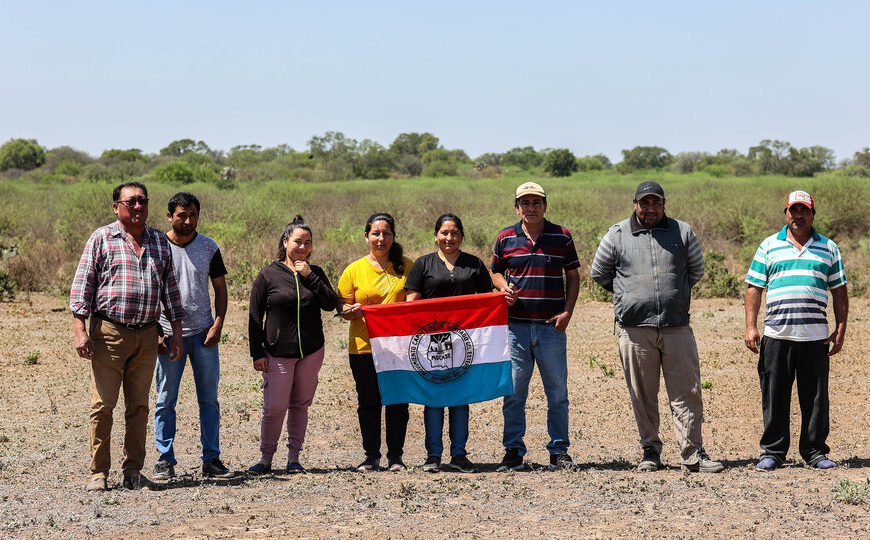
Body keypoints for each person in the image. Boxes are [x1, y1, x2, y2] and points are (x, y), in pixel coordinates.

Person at [590, 180, 723, 473]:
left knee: (687, 392)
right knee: (643, 394)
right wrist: (629, 295)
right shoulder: (617, 234)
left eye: (656, 203)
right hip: (635, 329)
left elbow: (696, 270)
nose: (651, 209)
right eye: (644, 203)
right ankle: (650, 450)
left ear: (664, 204)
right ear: (634, 203)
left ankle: (692, 453)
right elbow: (599, 272)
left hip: (677, 326)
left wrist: (672, 292)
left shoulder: (683, 232)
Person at [70, 182, 184, 491]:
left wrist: (176, 333)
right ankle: (99, 472)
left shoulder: (160, 242)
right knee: (103, 405)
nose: (137, 207)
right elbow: (83, 287)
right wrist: (81, 330)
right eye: (130, 201)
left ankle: (133, 471)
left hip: (147, 336)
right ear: (116, 207)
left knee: (139, 407)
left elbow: (170, 292)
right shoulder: (102, 239)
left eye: (142, 201)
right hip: (109, 333)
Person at [744, 190, 848, 471]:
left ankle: (815, 451)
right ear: (786, 213)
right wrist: (751, 326)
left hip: (815, 337)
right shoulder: (768, 246)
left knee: (815, 398)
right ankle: (773, 452)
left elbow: (839, 290)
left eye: (804, 210)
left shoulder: (828, 248)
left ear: (813, 214)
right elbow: (754, 287)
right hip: (776, 335)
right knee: (774, 395)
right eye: (793, 210)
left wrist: (841, 327)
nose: (798, 215)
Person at [405, 213, 504, 473]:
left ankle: (459, 455)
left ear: (462, 236)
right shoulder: (422, 265)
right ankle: (433, 456)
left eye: (455, 233)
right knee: (434, 397)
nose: (449, 238)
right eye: (444, 233)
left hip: (464, 343)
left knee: (461, 397)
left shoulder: (473, 264)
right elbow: (411, 304)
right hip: (431, 343)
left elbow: (486, 302)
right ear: (436, 235)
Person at [491, 182, 579, 472]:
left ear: (545, 205)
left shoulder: (562, 236)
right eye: (525, 202)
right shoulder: (505, 237)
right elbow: (495, 271)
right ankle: (513, 451)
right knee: (514, 393)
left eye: (536, 202)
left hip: (550, 328)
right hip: (515, 327)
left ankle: (559, 451)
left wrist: (567, 312)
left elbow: (574, 276)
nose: (531, 207)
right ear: (517, 207)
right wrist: (504, 288)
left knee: (557, 393)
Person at [247, 216, 339, 474]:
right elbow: (255, 316)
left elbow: (330, 303)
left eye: (308, 243)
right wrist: (257, 352)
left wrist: (310, 276)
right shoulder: (268, 274)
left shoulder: (315, 272)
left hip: (311, 351)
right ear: (286, 241)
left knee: (300, 405)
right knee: (275, 407)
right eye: (298, 241)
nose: (303, 247)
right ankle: (266, 459)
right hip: (278, 352)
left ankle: (294, 459)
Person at [152, 192, 233, 480]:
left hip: (203, 334)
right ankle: (164, 459)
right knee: (165, 400)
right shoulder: (156, 245)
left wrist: (218, 324)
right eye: (181, 215)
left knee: (209, 400)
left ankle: (212, 460)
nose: (188, 221)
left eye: (193, 215)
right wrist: (157, 331)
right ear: (169, 216)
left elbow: (221, 289)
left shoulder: (209, 246)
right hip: (167, 337)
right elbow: (149, 291)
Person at [338, 213, 414, 472]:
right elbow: (342, 304)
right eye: (376, 233)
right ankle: (371, 456)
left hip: (398, 347)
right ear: (366, 236)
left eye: (386, 234)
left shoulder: (408, 266)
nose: (381, 239)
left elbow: (416, 304)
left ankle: (396, 457)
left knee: (397, 401)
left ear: (393, 237)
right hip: (363, 347)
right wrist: (349, 311)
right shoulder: (353, 270)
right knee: (368, 401)